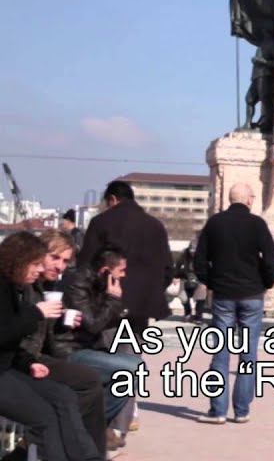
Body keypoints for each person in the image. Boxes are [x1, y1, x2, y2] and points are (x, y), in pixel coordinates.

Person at [0, 231, 104, 461]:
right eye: (52, 258)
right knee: (51, 411)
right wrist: (37, 314)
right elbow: (11, 331)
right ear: (20, 259)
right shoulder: (18, 287)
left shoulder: (26, 286)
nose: (59, 267)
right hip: (17, 364)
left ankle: (88, 455)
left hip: (23, 360)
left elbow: (15, 338)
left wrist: (56, 320)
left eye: (66, 261)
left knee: (65, 396)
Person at [194, 183, 274, 424]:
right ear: (249, 200)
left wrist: (211, 281)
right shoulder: (257, 224)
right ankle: (241, 410)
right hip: (251, 294)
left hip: (223, 294)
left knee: (220, 353)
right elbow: (272, 258)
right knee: (248, 354)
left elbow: (200, 260)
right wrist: (266, 282)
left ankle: (218, 410)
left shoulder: (215, 223)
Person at [60, 244, 143, 445]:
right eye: (121, 270)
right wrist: (113, 299)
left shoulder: (98, 283)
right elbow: (93, 325)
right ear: (106, 271)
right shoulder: (78, 284)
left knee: (133, 367)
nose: (123, 275)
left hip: (88, 347)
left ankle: (93, 424)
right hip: (69, 349)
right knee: (130, 370)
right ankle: (88, 425)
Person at [78, 180, 173, 336]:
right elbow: (167, 268)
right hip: (143, 303)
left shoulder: (101, 222)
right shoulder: (155, 225)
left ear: (113, 199)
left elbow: (85, 263)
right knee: (133, 352)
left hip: (108, 300)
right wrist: (152, 290)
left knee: (107, 350)